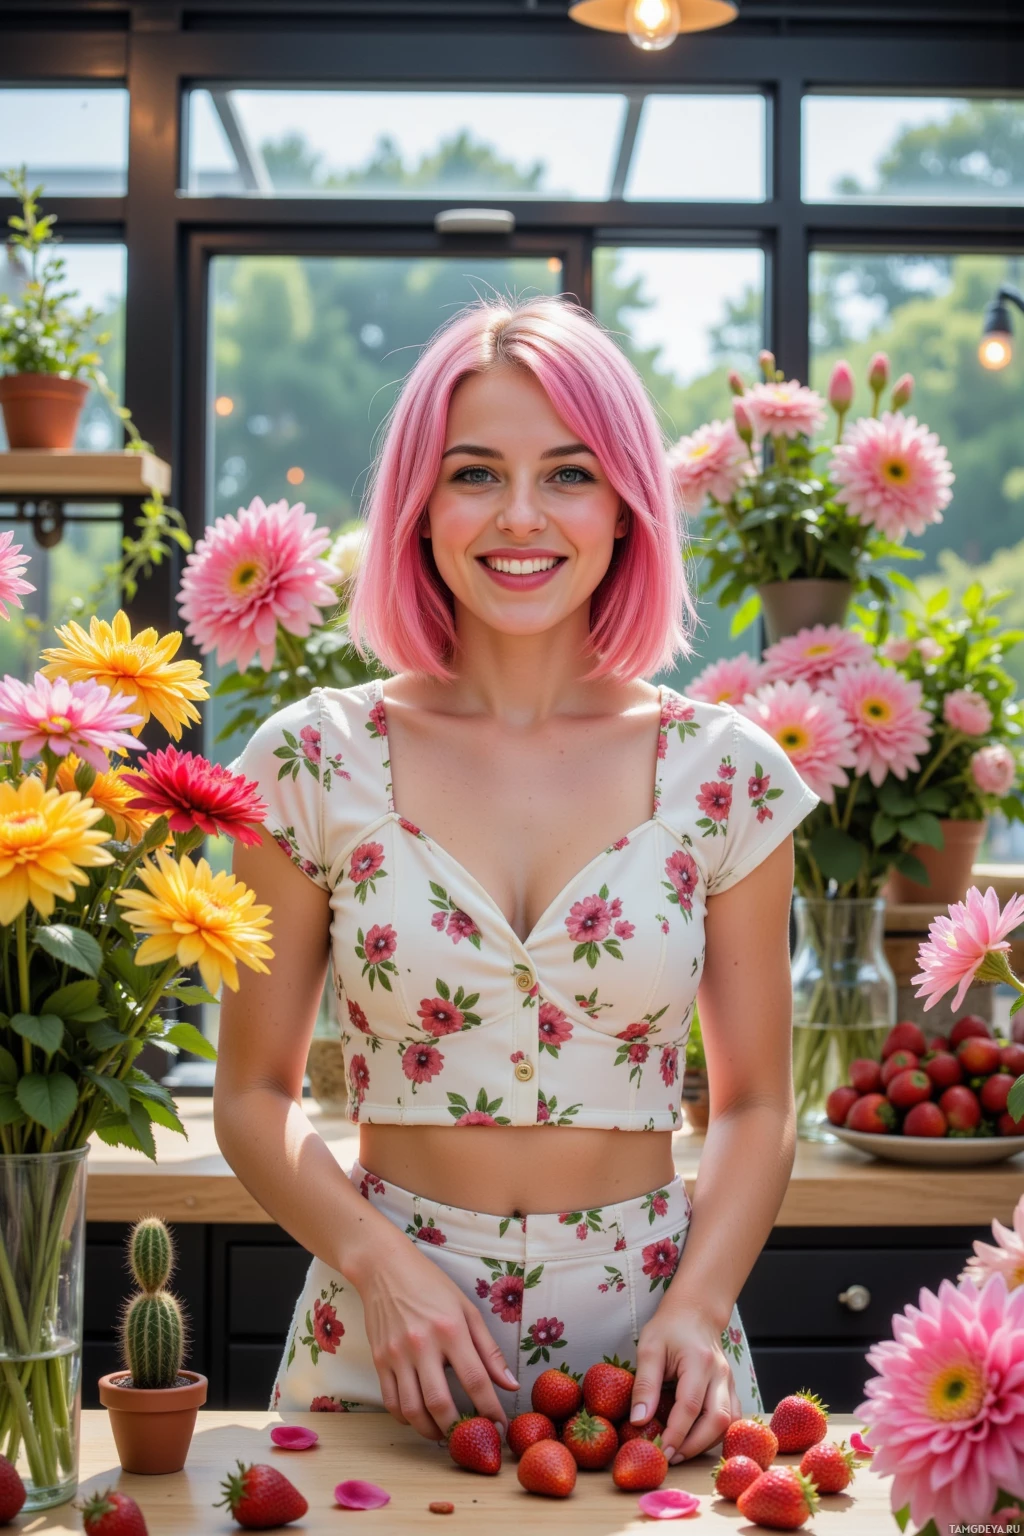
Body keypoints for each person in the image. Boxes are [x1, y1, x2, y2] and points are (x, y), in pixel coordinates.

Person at [214, 294, 819, 1464]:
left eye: (571, 474)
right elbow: (251, 1096)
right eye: (476, 474)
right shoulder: (308, 757)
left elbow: (754, 1105)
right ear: (420, 507)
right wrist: (380, 1269)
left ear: (628, 506)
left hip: (654, 1356)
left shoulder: (724, 772)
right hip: (385, 1345)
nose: (522, 517)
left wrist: (696, 1305)